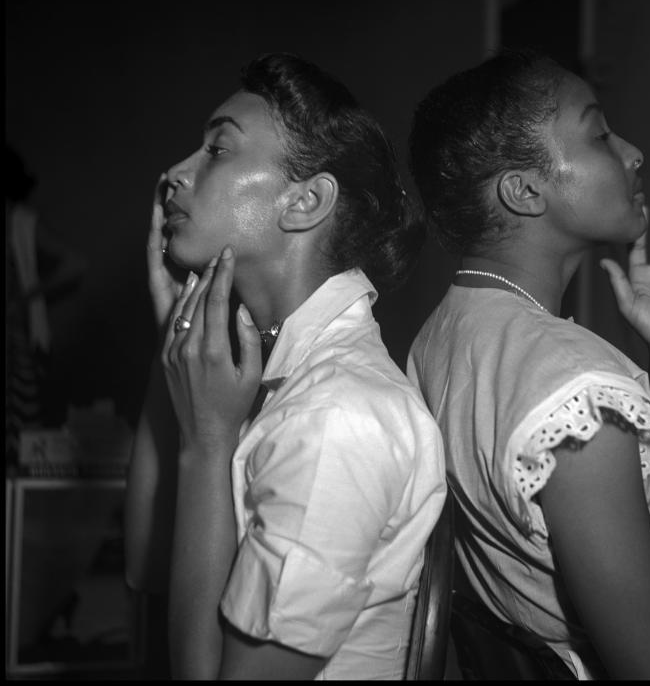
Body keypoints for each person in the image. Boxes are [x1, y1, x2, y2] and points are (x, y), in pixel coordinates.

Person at [405, 49, 650, 679]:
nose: (632, 152)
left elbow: (644, 524)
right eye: (600, 133)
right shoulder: (569, 384)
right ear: (524, 190)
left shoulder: (447, 333)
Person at [123, 53, 446, 680]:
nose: (174, 175)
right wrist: (176, 340)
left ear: (304, 202)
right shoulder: (273, 364)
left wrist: (208, 445)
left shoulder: (339, 417)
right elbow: (148, 565)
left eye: (217, 151)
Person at [6, 144, 87, 462]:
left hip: (14, 341)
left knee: (17, 430)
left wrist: (26, 296)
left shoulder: (19, 222)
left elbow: (75, 263)